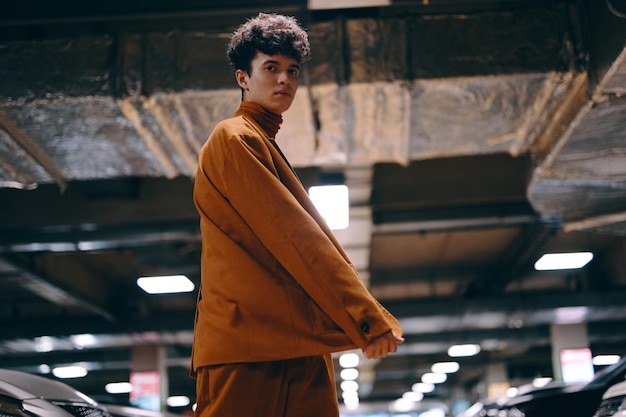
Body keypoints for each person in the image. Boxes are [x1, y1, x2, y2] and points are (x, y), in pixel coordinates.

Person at [191, 12, 404, 417]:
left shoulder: (259, 142)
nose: (285, 79)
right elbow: (295, 237)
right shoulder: (235, 138)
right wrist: (364, 317)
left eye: (292, 70)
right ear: (243, 78)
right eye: (270, 68)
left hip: (291, 341)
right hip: (249, 351)